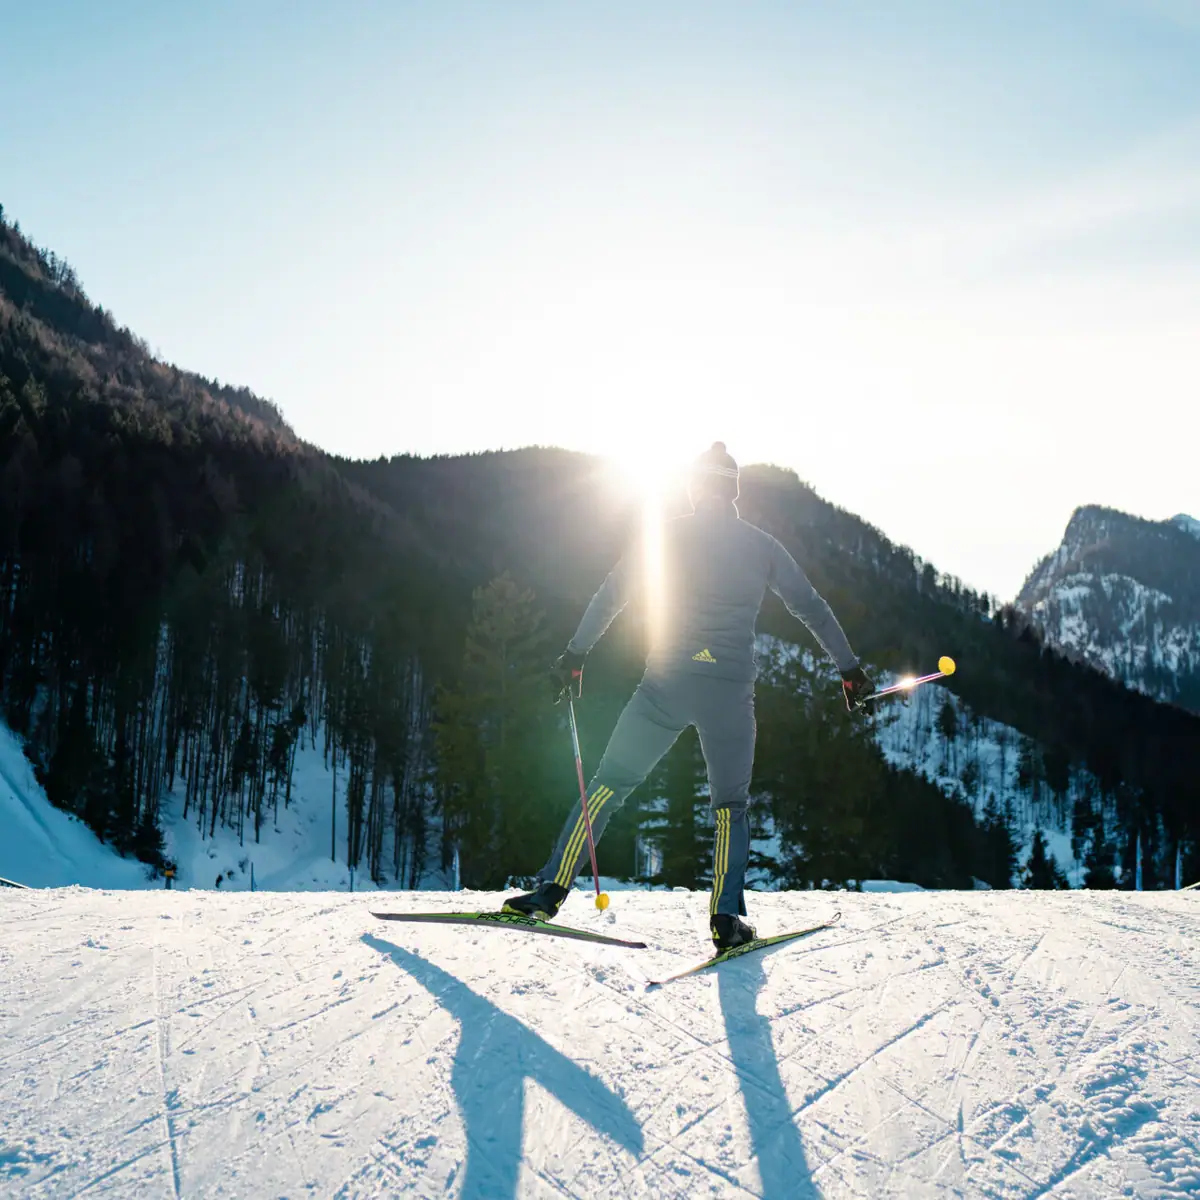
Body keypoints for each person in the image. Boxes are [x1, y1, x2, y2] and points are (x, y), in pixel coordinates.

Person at [504, 443, 874, 949]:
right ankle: (725, 917)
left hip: (665, 685)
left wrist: (575, 654)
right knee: (730, 806)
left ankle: (549, 890)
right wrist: (849, 670)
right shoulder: (763, 545)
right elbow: (811, 607)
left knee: (608, 784)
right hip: (728, 693)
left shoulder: (665, 536)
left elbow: (612, 593)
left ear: (695, 488)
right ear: (734, 491)